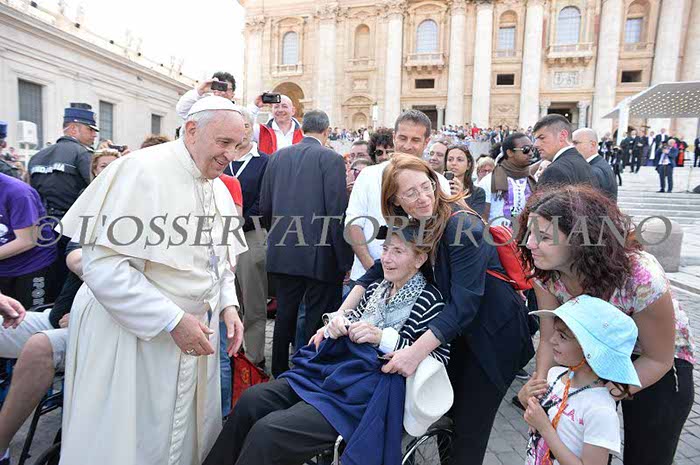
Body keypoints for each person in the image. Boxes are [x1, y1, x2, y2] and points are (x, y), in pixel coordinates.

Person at [56, 96, 248, 465]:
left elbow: (221, 260)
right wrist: (171, 319)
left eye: (237, 145)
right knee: (128, 441)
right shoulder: (139, 171)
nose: (230, 155)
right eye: (223, 142)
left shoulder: (219, 187)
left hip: (193, 335)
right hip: (130, 336)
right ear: (191, 130)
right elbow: (103, 266)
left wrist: (228, 305)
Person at [203, 225, 449, 465]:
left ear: (419, 259)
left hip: (364, 394)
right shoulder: (377, 287)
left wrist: (380, 337)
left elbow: (435, 359)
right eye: (385, 249)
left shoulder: (430, 300)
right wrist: (337, 325)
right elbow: (351, 319)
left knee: (268, 432)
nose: (386, 258)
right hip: (334, 373)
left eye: (397, 251)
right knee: (251, 400)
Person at [352, 154, 534, 464]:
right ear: (395, 200)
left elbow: (464, 305)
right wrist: (341, 314)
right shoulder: (413, 222)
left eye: (426, 186)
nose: (423, 198)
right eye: (411, 193)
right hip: (456, 332)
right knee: (443, 415)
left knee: (467, 430)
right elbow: (378, 270)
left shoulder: (463, 224)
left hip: (494, 337)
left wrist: (413, 353)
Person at [517, 185, 695, 465]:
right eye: (529, 233)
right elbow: (550, 338)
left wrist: (595, 394)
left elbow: (658, 359)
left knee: (648, 454)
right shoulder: (545, 272)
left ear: (580, 240)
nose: (529, 243)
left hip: (652, 359)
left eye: (544, 237)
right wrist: (540, 387)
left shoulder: (640, 276)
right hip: (588, 353)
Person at [260, 110, 352, 378]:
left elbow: (265, 207)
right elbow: (336, 212)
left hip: (283, 250)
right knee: (315, 317)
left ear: (302, 129)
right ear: (326, 131)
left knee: (284, 315)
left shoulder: (277, 157)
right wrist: (344, 259)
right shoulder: (332, 159)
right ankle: (306, 372)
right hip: (320, 254)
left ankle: (278, 370)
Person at [519, 296, 641, 465]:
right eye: (555, 332)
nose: (552, 340)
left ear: (590, 349)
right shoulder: (554, 375)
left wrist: (545, 428)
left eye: (562, 336)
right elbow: (537, 418)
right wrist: (525, 398)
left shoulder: (600, 410)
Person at [344, 110, 450, 299]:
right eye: (402, 138)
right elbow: (353, 225)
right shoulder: (368, 175)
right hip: (366, 279)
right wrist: (377, 271)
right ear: (394, 137)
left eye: (415, 140)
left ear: (426, 142)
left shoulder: (439, 182)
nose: (407, 146)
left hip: (419, 284)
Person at [0, 243, 82, 462]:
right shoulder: (97, 224)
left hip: (101, 333)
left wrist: (88, 316)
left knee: (41, 346)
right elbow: (75, 256)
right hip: (55, 318)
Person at [27, 103, 97, 299]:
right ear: (74, 128)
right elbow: (95, 189)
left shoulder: (37, 156)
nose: (94, 135)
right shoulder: (82, 154)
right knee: (69, 279)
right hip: (71, 226)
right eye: (90, 129)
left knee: (48, 276)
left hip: (44, 226)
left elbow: (31, 192)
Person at [221, 108, 269, 373]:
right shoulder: (221, 158)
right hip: (219, 238)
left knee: (253, 302)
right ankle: (231, 356)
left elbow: (265, 202)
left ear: (252, 128)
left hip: (251, 235)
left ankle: (253, 359)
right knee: (229, 299)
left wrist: (238, 223)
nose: (242, 131)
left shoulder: (264, 162)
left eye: (246, 125)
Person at [0, 173, 58, 310]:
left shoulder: (17, 192)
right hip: (4, 265)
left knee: (30, 315)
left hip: (31, 265)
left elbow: (27, 241)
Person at [480, 133, 536, 226]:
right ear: (510, 153)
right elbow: (482, 218)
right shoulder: (489, 181)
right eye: (525, 149)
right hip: (495, 233)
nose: (531, 153)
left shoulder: (532, 180)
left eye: (532, 149)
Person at [532, 114, 595, 189]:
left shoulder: (554, 171)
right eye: (536, 139)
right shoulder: (584, 164)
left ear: (562, 135)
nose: (535, 144)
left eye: (542, 138)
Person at [572, 128, 617, 201]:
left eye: (575, 143)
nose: (571, 147)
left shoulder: (593, 171)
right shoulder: (599, 164)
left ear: (592, 145)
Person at [444, 145, 486, 216]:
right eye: (450, 159)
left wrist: (459, 199)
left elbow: (475, 220)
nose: (453, 163)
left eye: (459, 160)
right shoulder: (438, 187)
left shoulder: (478, 192)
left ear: (468, 165)